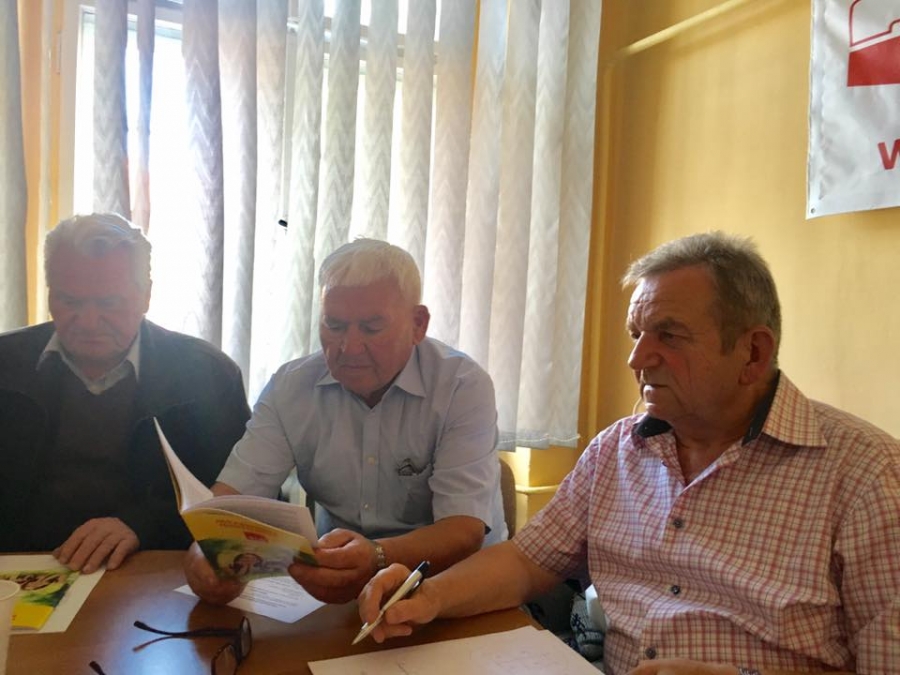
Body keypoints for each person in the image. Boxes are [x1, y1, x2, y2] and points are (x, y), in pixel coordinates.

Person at [358, 232, 900, 675]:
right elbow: (527, 562)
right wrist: (428, 596)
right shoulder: (617, 449)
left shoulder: (868, 476)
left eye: (669, 335)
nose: (638, 358)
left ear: (753, 352)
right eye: (636, 334)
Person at [184, 238, 507, 605]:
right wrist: (206, 551)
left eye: (372, 328)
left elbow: (463, 530)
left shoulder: (461, 386)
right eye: (334, 325)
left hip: (454, 586)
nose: (349, 348)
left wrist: (377, 557)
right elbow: (231, 501)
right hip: (337, 587)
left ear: (418, 324)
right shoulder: (292, 387)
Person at [0, 213, 251, 574]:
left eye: (108, 303)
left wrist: (141, 525)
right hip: (21, 571)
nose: (88, 322)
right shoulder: (6, 365)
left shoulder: (207, 375)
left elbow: (236, 504)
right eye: (70, 301)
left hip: (151, 569)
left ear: (146, 295)